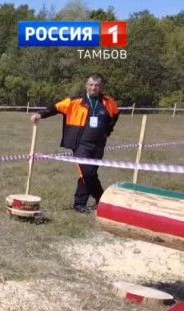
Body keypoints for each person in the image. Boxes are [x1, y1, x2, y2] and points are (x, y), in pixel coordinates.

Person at [31, 73, 120, 214]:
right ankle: (99, 198)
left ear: (101, 86)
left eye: (97, 85)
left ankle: (81, 204)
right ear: (86, 86)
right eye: (91, 85)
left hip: (98, 144)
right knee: (86, 172)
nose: (94, 88)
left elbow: (115, 114)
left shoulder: (108, 102)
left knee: (90, 173)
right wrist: (40, 114)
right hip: (80, 144)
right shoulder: (75, 101)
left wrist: (108, 130)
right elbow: (55, 107)